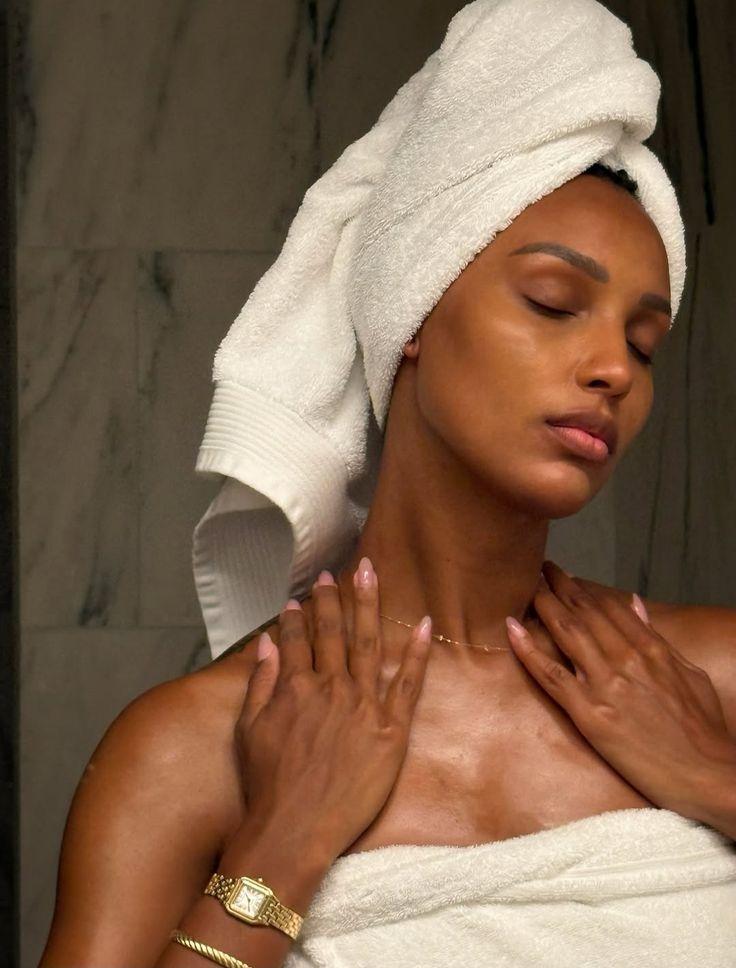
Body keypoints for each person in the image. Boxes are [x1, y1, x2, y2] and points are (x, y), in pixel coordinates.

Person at [38, 163, 736, 968]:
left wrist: (716, 781)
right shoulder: (193, 747)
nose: (614, 368)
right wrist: (281, 845)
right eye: (552, 303)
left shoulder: (705, 682)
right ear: (415, 311)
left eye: (643, 345)